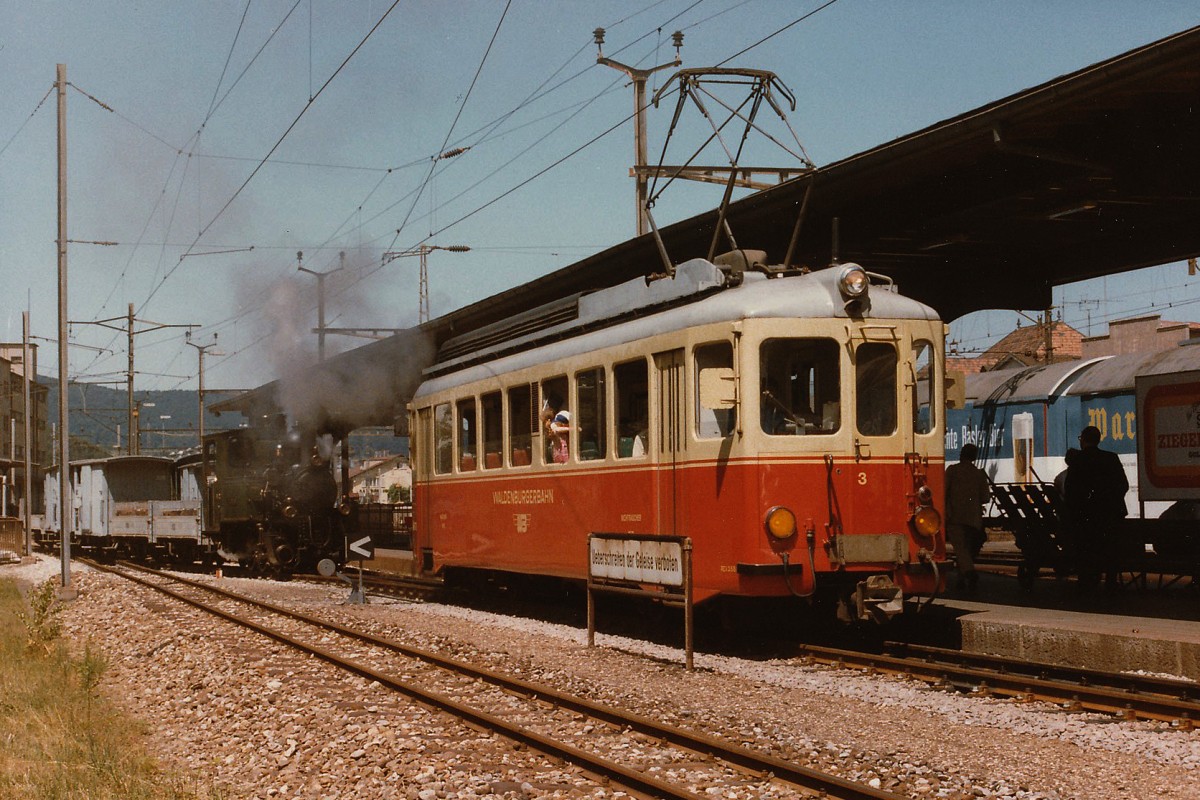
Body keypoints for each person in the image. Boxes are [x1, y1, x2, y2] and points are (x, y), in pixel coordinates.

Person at [1063, 425, 1128, 589]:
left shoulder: (1077, 461)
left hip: (1085, 517)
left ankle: (1087, 582)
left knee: (1087, 551)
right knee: (1109, 550)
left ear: (1083, 440)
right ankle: (1111, 582)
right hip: (1110, 516)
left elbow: (1070, 490)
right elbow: (1123, 485)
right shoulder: (1111, 458)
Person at [945, 442, 991, 592]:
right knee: (967, 550)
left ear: (961, 455)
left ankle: (969, 574)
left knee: (960, 549)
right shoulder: (979, 474)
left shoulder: (952, 471)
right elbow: (986, 498)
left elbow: (943, 491)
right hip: (974, 519)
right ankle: (962, 578)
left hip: (955, 517)